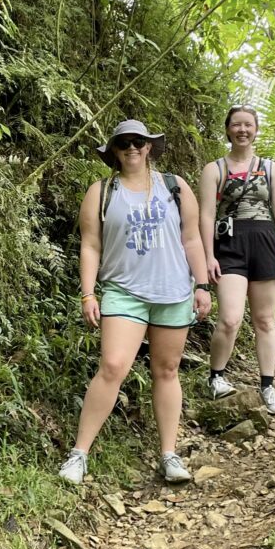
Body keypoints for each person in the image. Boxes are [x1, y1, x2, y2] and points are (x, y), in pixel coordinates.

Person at [59, 120, 212, 486]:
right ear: (114, 150)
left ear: (149, 148)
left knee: (167, 371)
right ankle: (79, 454)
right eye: (124, 143)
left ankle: (169, 454)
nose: (132, 148)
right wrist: (88, 292)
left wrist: (202, 284)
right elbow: (90, 245)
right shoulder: (101, 191)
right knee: (112, 366)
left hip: (173, 290)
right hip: (123, 292)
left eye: (138, 142)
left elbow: (191, 238)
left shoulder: (174, 187)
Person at [199, 106, 275, 415]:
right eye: (237, 125)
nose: (243, 130)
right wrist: (208, 256)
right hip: (229, 244)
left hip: (265, 241)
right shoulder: (214, 169)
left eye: (248, 125)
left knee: (265, 320)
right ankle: (216, 377)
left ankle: (268, 385)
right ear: (227, 130)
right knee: (229, 318)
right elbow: (206, 215)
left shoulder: (270, 168)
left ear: (255, 130)